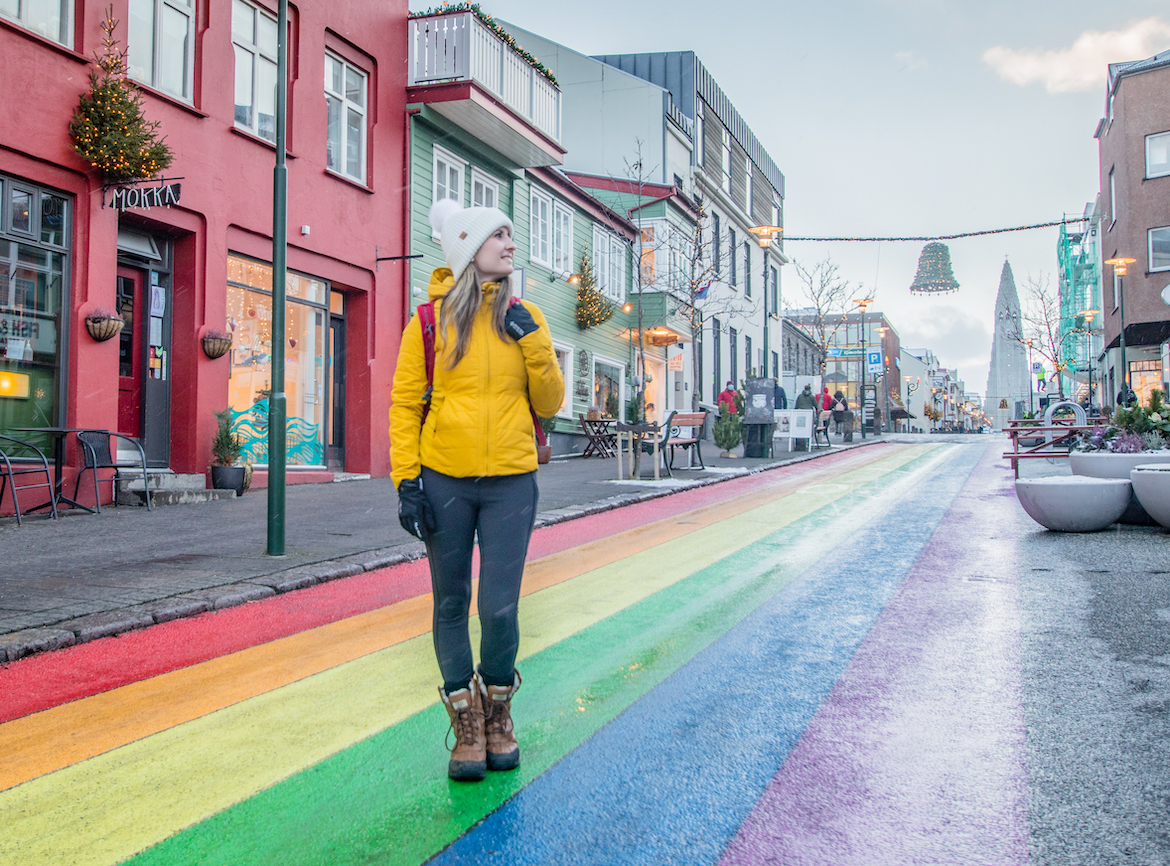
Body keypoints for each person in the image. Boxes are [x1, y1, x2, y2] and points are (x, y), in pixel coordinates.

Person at [389, 199, 565, 782]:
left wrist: (535, 343)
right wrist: (406, 482)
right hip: (445, 480)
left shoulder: (527, 316)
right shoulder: (429, 323)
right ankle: (465, 722)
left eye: (512, 235)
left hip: (512, 481)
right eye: (500, 235)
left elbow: (550, 404)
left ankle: (498, 712)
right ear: (469, 248)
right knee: (449, 601)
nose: (511, 244)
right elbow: (405, 404)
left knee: (499, 607)